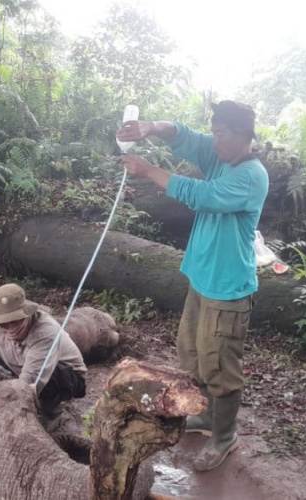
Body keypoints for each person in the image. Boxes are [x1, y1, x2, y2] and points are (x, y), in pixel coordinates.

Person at [116, 100, 269, 472]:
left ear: (243, 135)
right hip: (202, 279)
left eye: (221, 134)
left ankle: (225, 437)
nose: (214, 141)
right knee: (194, 355)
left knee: (220, 367)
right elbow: (185, 137)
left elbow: (202, 196)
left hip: (228, 289)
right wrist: (150, 127)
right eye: (214, 132)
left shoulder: (251, 176)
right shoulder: (220, 157)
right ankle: (205, 417)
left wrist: (149, 171)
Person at [0, 283, 87, 415]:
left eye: (15, 321)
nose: (11, 328)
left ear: (26, 313)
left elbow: (29, 381)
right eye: (3, 324)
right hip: (19, 367)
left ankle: (52, 413)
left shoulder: (45, 332)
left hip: (63, 375)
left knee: (44, 385)